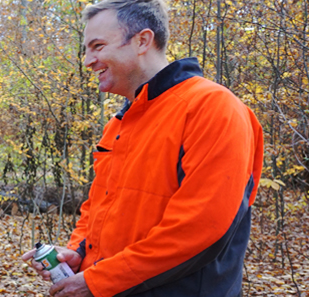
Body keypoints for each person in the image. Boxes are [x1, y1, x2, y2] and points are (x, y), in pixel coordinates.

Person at [20, 1, 264, 296]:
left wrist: (99, 281)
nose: (88, 61)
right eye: (87, 49)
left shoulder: (211, 107)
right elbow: (98, 209)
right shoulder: (119, 123)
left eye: (98, 46)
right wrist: (79, 253)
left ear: (142, 41)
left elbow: (202, 229)